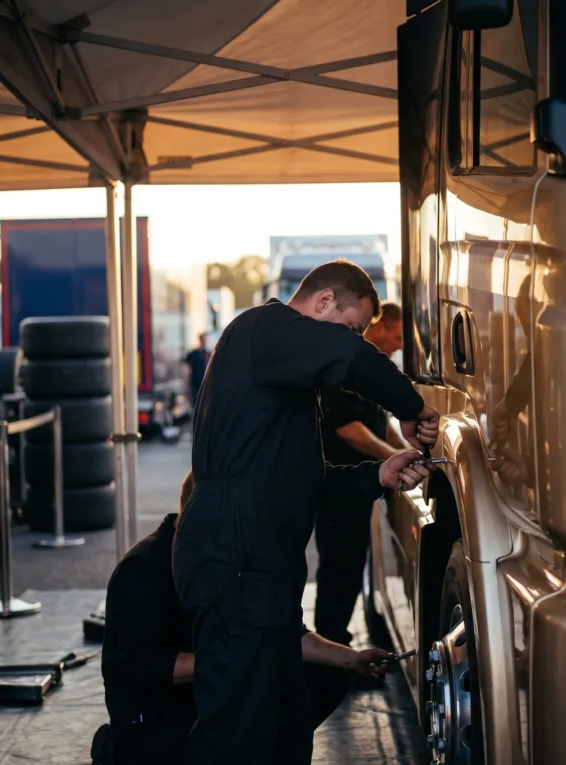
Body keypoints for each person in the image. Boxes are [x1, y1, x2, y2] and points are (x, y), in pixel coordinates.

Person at [172, 259, 439, 765]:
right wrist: (410, 406)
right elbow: (349, 359)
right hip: (233, 555)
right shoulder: (262, 329)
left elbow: (304, 483)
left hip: (262, 564)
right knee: (235, 729)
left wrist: (376, 477)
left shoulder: (284, 382)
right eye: (354, 328)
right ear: (321, 302)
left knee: (286, 722)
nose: (359, 340)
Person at [97, 472, 391, 765]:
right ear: (195, 516)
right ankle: (121, 752)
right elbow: (145, 666)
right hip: (157, 708)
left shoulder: (229, 553)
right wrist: (238, 662)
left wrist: (352, 659)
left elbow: (284, 631)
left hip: (219, 684)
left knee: (323, 677)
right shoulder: (143, 570)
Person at [314, 301, 411, 646]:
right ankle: (331, 649)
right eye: (398, 337)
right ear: (380, 327)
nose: (401, 346)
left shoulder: (372, 367)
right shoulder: (344, 366)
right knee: (339, 568)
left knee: (352, 566)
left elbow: (377, 422)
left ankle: (335, 642)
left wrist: (405, 452)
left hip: (359, 483)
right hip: (337, 483)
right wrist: (394, 459)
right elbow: (349, 428)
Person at [181, 333, 211, 410]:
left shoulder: (208, 353)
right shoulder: (194, 353)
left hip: (206, 383)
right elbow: (186, 368)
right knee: (196, 404)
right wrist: (186, 383)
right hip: (196, 383)